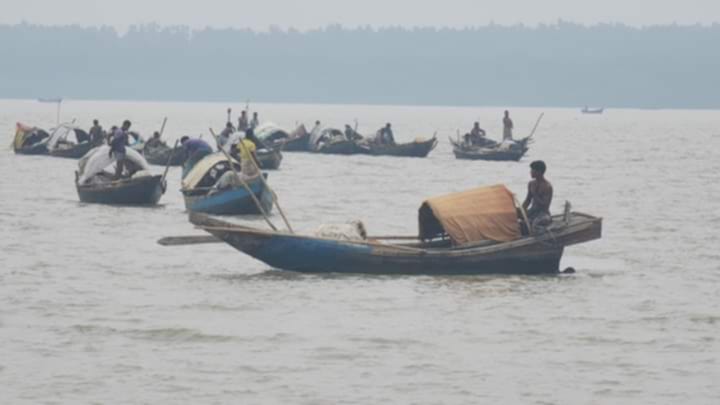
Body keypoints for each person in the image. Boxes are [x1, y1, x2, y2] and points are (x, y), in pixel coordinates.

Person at [522, 160, 553, 233]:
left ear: (539, 172)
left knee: (535, 225)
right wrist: (521, 211)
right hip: (532, 212)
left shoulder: (547, 186)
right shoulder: (531, 184)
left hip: (543, 214)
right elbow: (528, 200)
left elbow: (544, 205)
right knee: (521, 224)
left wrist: (534, 193)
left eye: (533, 170)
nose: (531, 172)